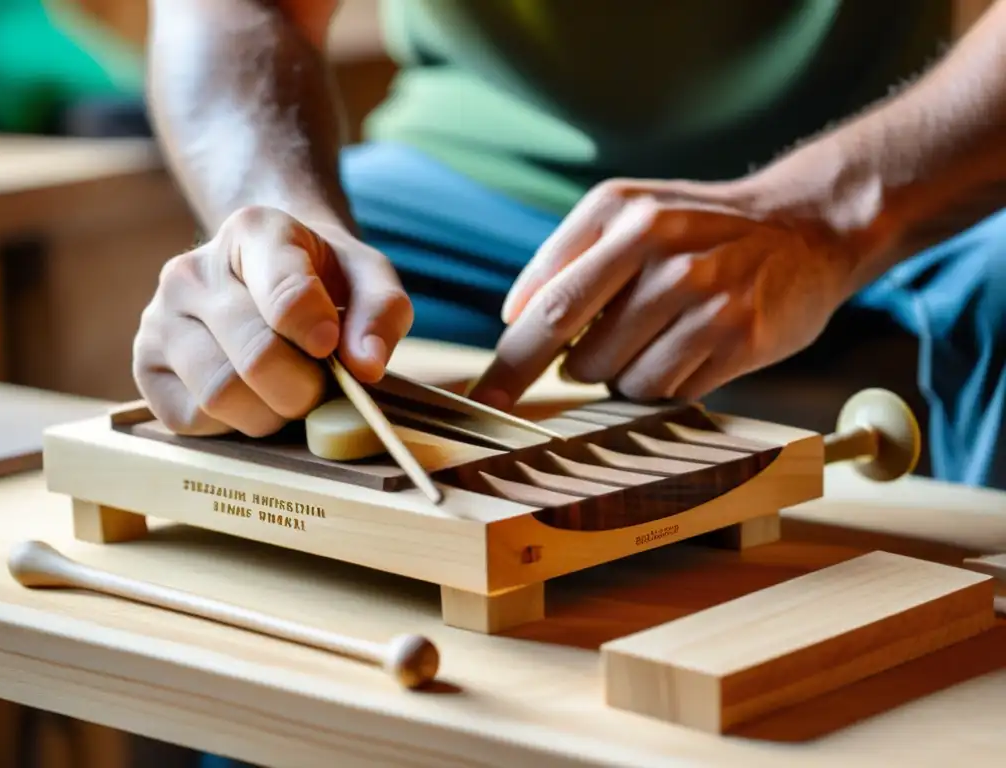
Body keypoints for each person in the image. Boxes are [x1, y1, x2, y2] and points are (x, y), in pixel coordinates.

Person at [136, 0, 1006, 509]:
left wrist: (830, 213)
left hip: (897, 169)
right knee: (252, 356)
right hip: (456, 186)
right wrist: (280, 234)